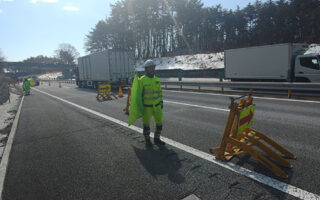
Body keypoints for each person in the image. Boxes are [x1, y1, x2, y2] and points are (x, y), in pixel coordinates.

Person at [139, 60, 165, 146]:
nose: (153, 69)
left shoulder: (157, 79)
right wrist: (139, 106)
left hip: (157, 106)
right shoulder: (142, 80)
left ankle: (157, 139)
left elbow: (160, 92)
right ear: (147, 69)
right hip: (146, 107)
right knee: (146, 124)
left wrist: (161, 101)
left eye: (154, 67)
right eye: (151, 67)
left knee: (159, 123)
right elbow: (138, 95)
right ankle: (147, 140)